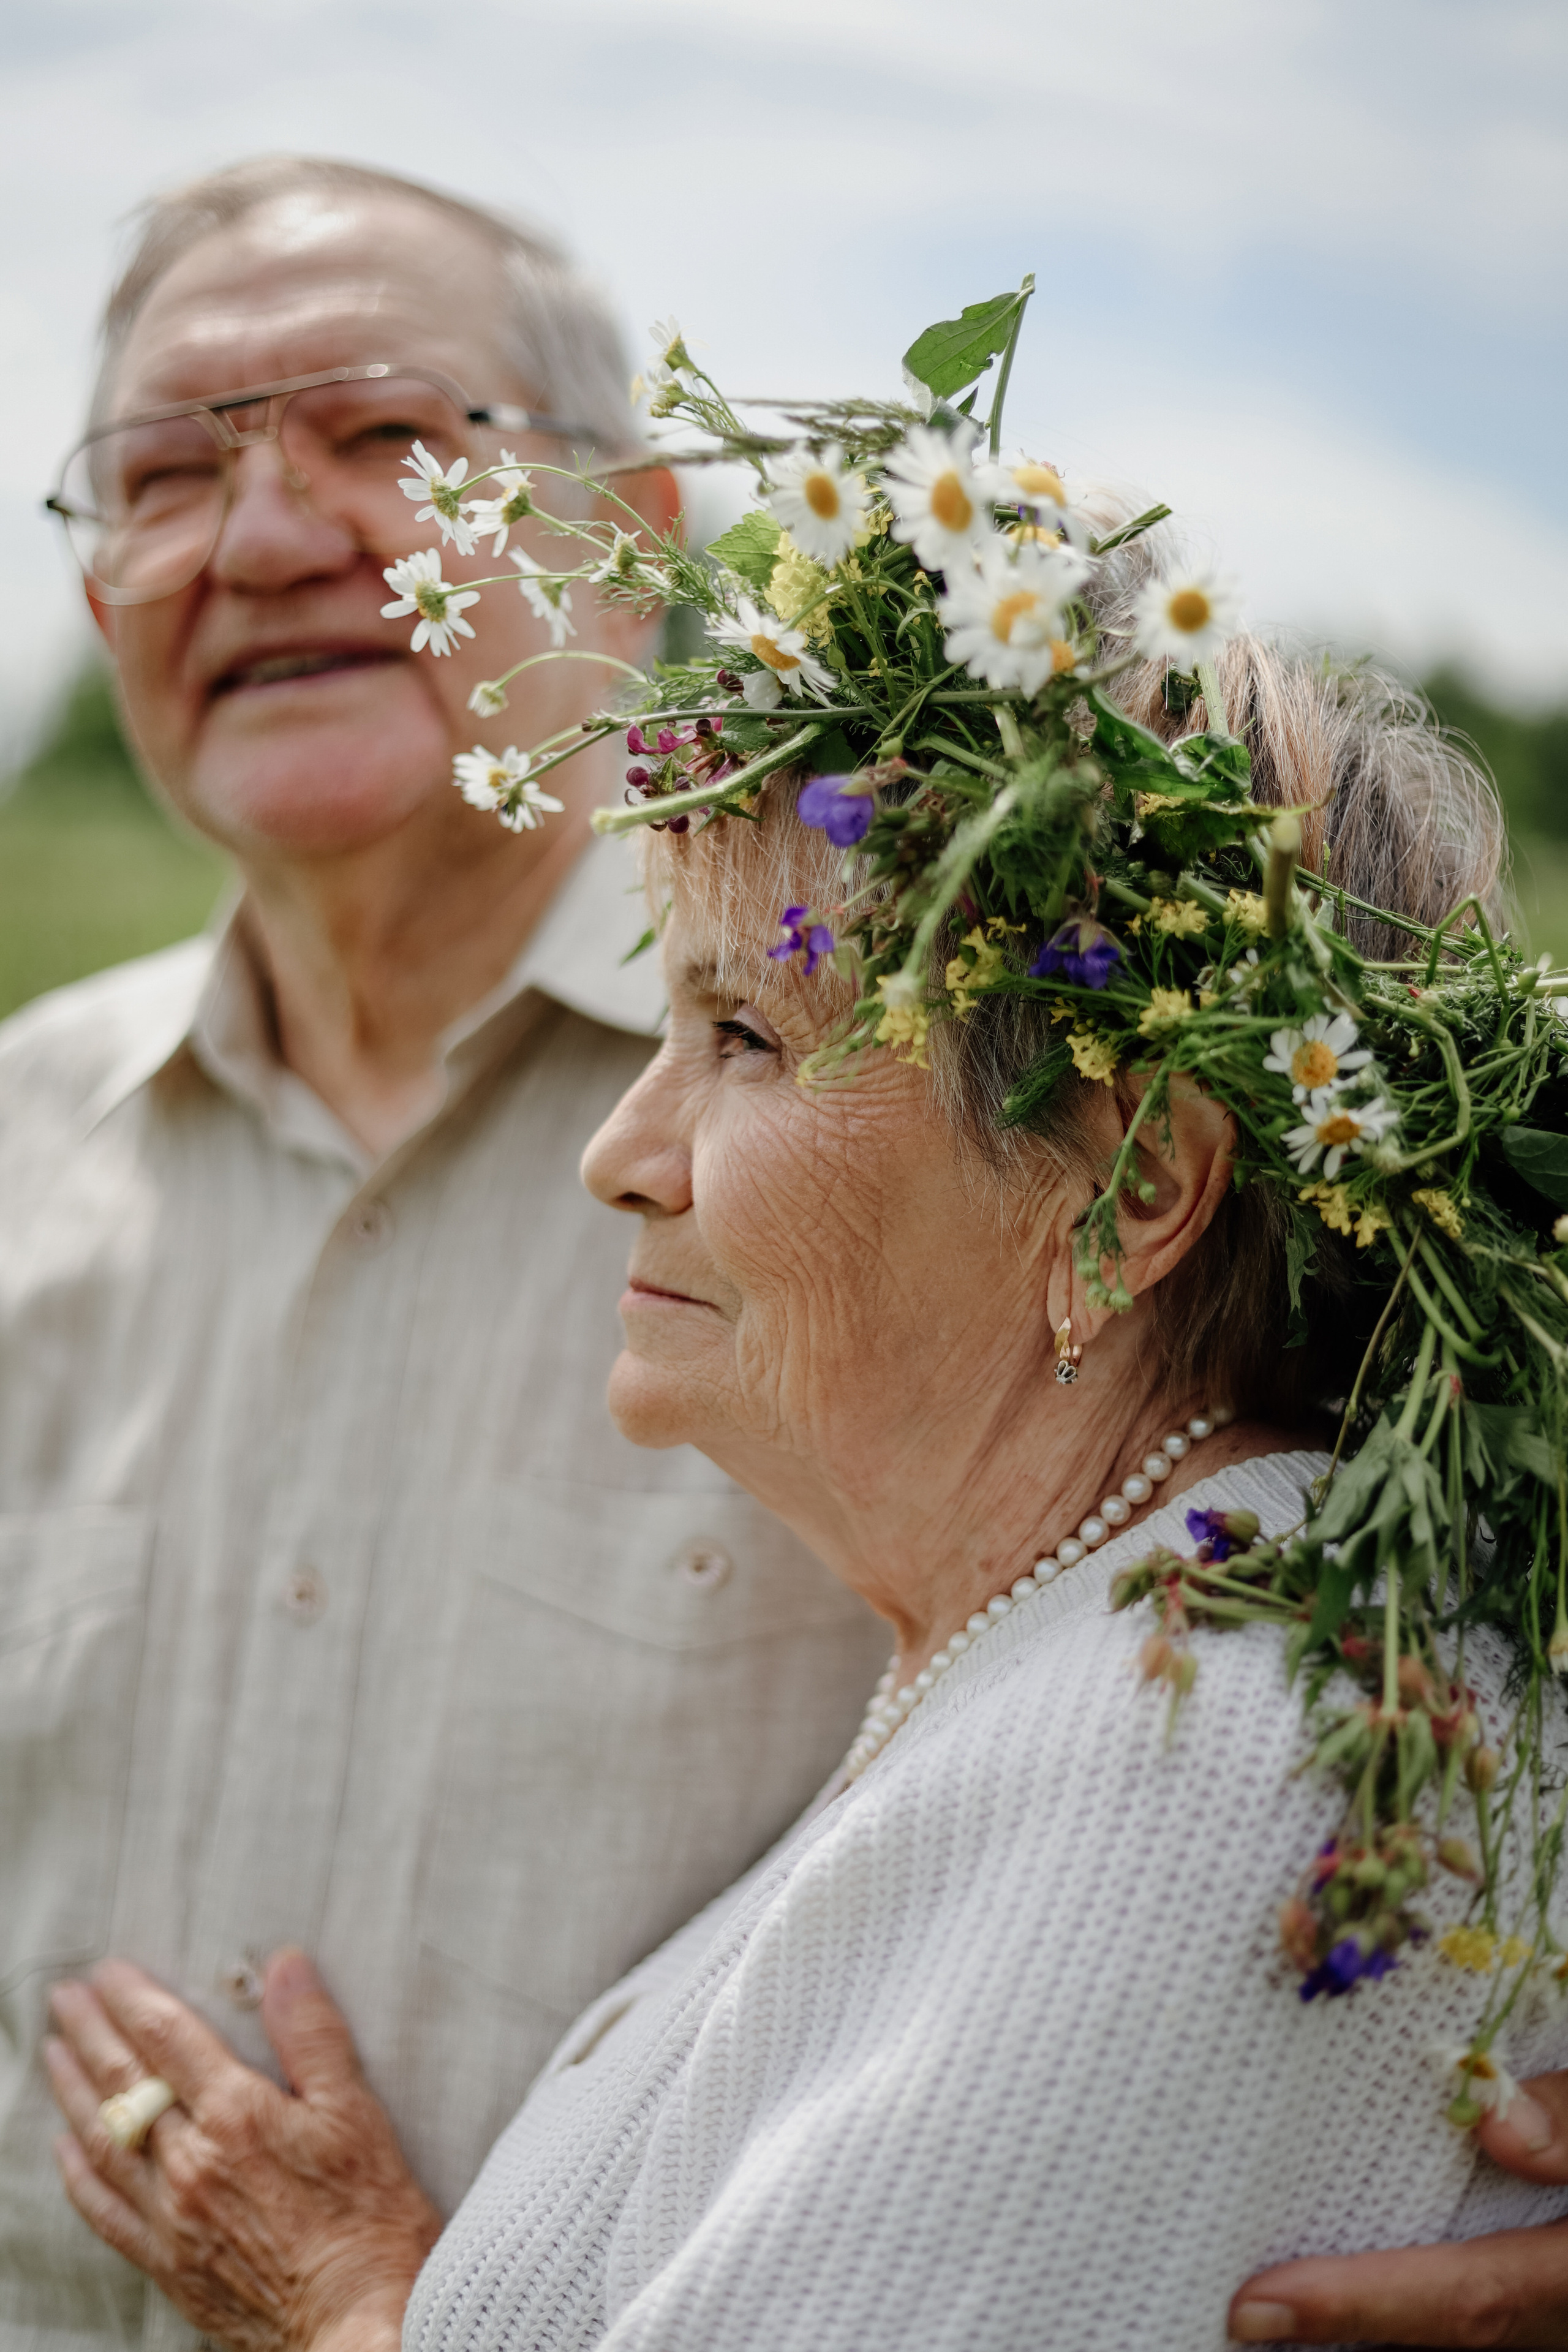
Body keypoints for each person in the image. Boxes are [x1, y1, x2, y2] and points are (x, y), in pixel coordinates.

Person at [38, 350, 1568, 2346]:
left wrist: (340, 2314)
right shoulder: (1137, 1649)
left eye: (744, 1039)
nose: (615, 1153)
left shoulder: (1206, 1733)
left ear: (1129, 1189)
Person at [0, 157, 889, 2351]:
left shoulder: (934, 1145)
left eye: (384, 436)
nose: (271, 536)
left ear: (637, 533)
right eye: (164, 473)